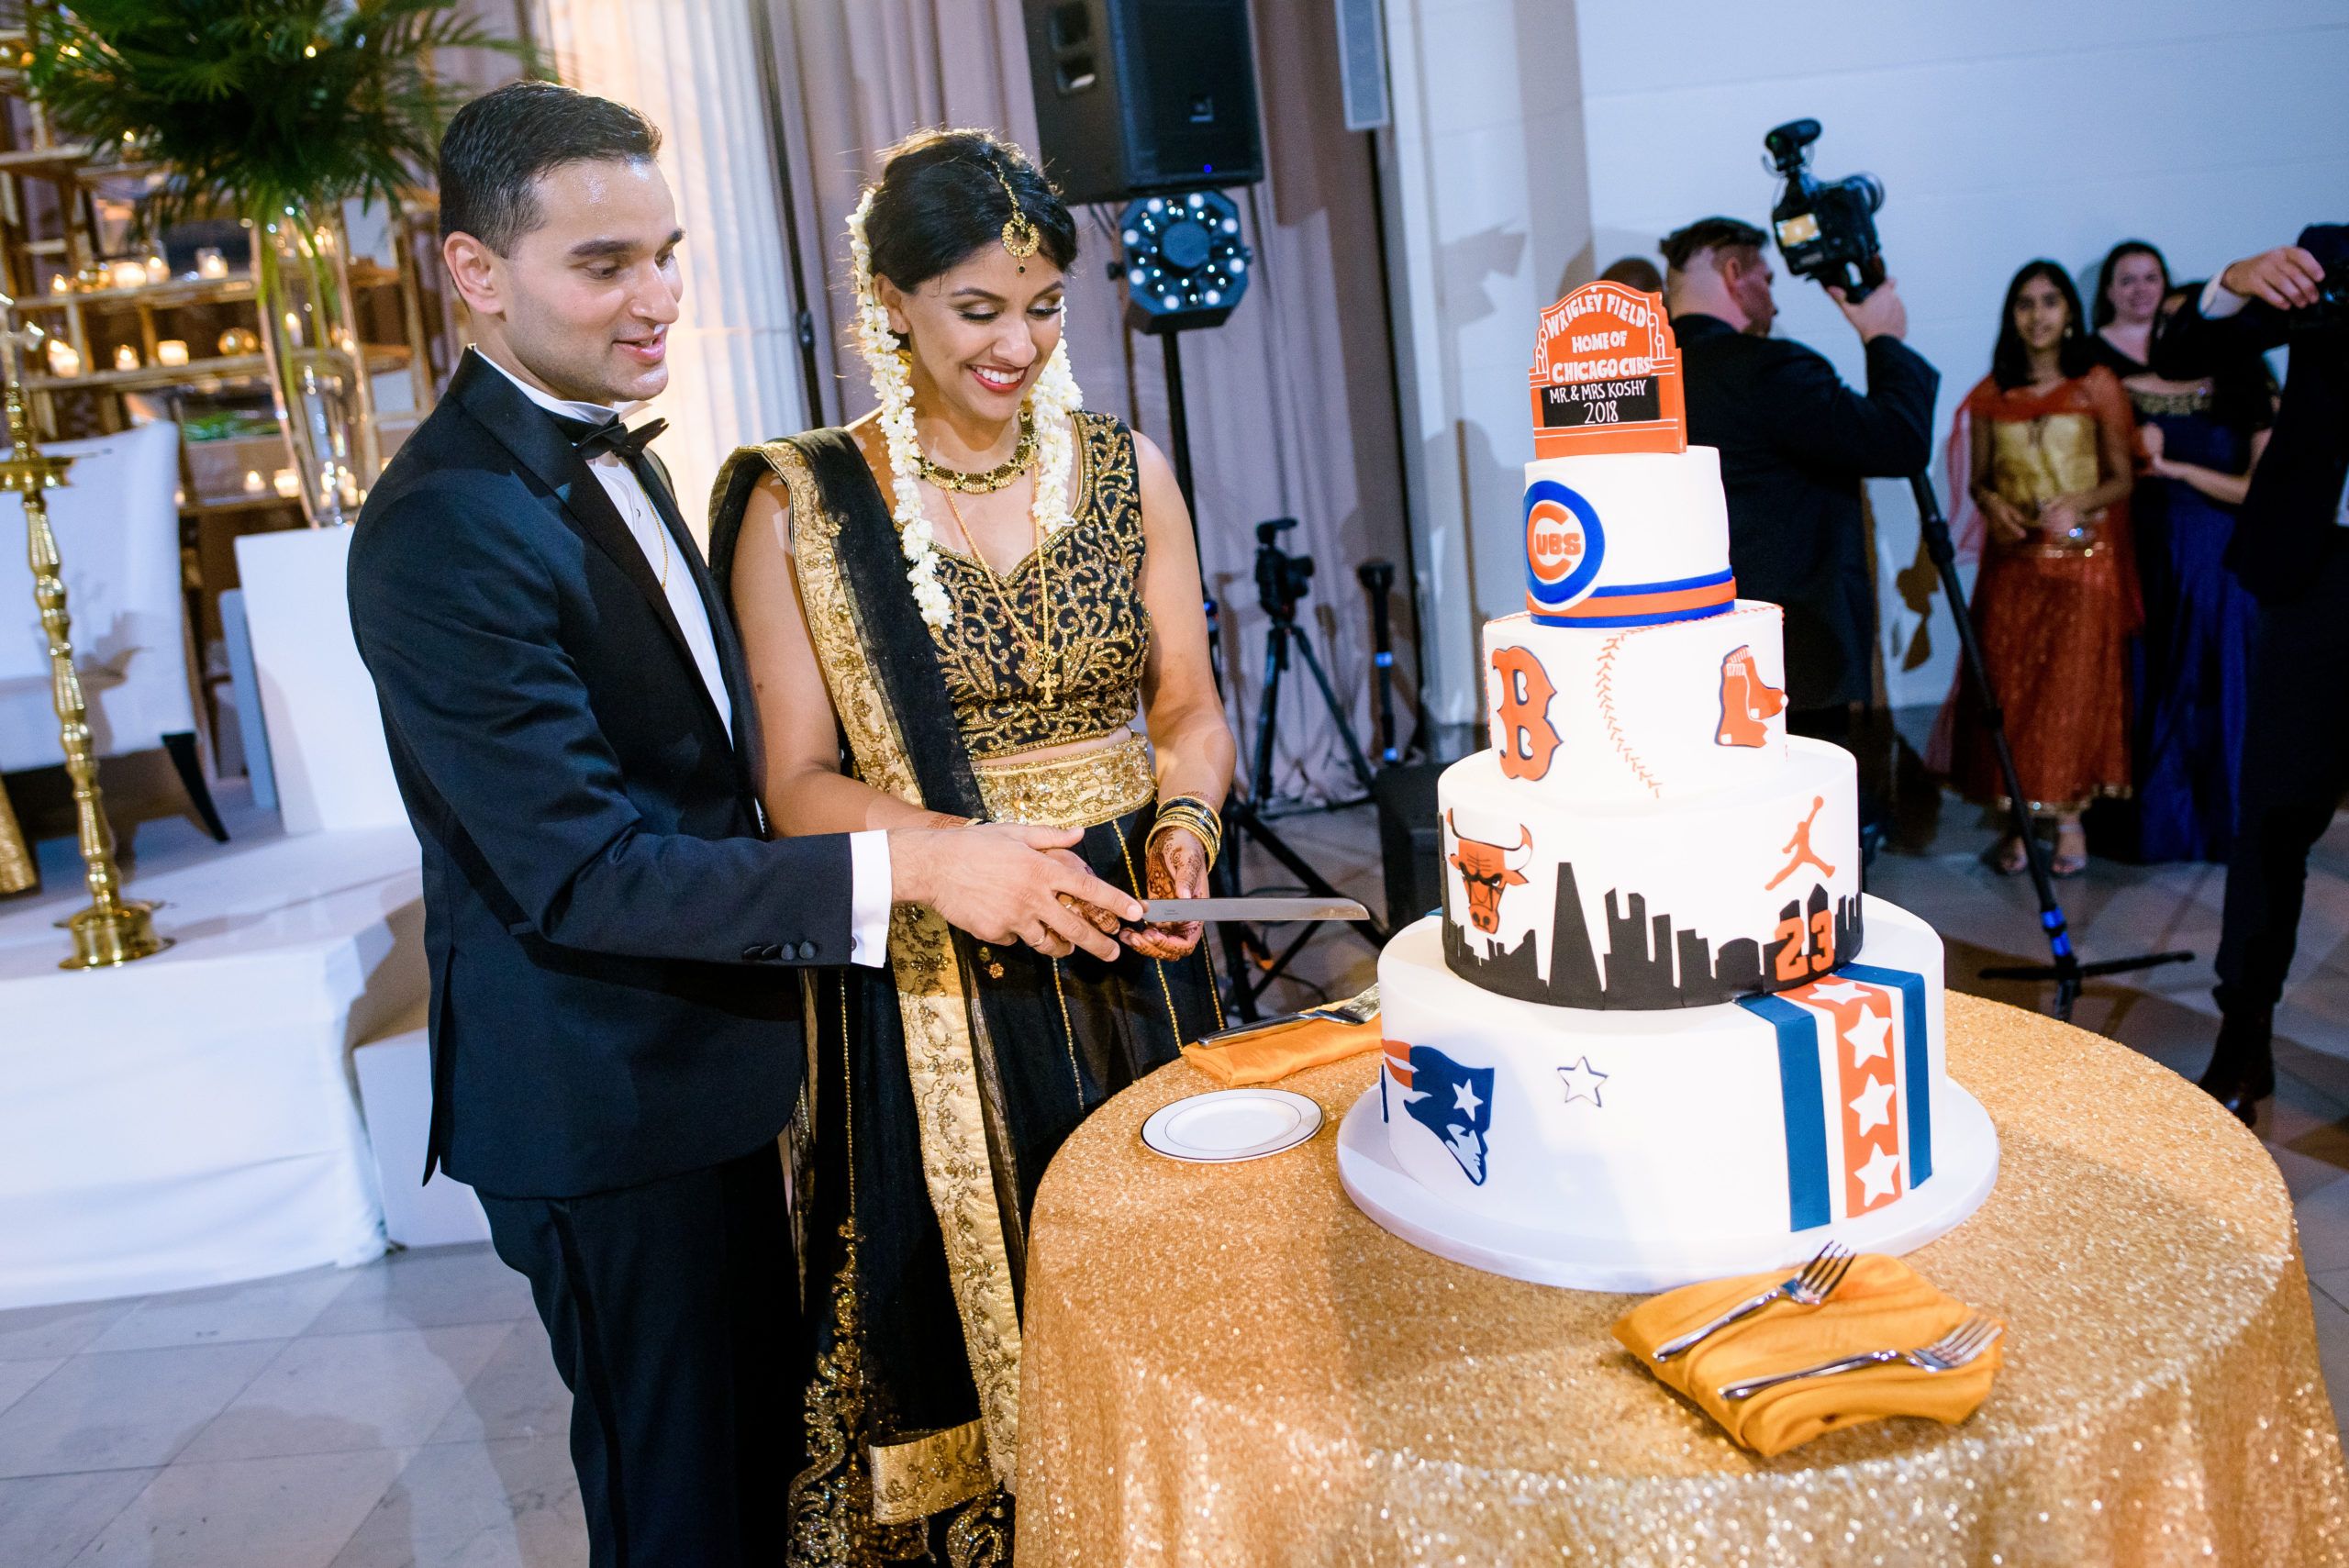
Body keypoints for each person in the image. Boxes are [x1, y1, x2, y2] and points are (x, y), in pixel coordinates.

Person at [346, 85, 1145, 1568]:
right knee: (686, 1505)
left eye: (667, 251)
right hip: (606, 1101)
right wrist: (915, 857)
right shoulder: (444, 525)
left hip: (712, 1058)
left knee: (752, 1469)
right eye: (603, 266)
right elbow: (582, 867)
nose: (654, 298)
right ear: (475, 272)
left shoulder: (596, 448)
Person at [708, 129, 1236, 1551]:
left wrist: (1182, 835)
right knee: (976, 1309)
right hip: (940, 975)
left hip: (1137, 949)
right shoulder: (804, 504)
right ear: (889, 297)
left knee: (1171, 1286)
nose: (1020, 343)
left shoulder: (1130, 470)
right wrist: (965, 858)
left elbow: (1187, 705)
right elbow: (798, 785)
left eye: (1047, 303)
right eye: (978, 308)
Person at [2152, 226, 2349, 1123]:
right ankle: (2245, 1034)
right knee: (2273, 812)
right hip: (2320, 575)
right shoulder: (2331, 256)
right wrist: (2229, 282)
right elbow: (2186, 349)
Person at [1661, 217, 1938, 759]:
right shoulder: (1771, 370)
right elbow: (1899, 441)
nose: (1775, 301)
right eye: (1767, 278)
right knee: (1807, 819)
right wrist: (1884, 338)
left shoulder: (1637, 383)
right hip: (1791, 655)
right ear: (1736, 273)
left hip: (1676, 644)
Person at [1932, 261, 2140, 877]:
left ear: (2071, 311)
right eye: (2025, 303)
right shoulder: (1994, 393)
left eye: (2050, 302)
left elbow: (2122, 478)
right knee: (2012, 693)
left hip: (2083, 564)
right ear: (2011, 316)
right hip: (2014, 566)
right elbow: (1981, 482)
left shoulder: (2095, 383)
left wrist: (2078, 503)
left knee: (2071, 696)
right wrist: (1993, 506)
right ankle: (2021, 820)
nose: (2039, 315)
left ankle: (2070, 822)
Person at [2124, 284, 2274, 863]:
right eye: (2164, 320)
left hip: (2220, 555)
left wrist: (2176, 468)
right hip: (2149, 550)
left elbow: (2257, 489)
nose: (2171, 327)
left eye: (2182, 318)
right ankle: (2160, 827)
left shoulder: (2246, 387)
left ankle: (2224, 824)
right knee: (2158, 682)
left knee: (2219, 682)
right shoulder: (2129, 389)